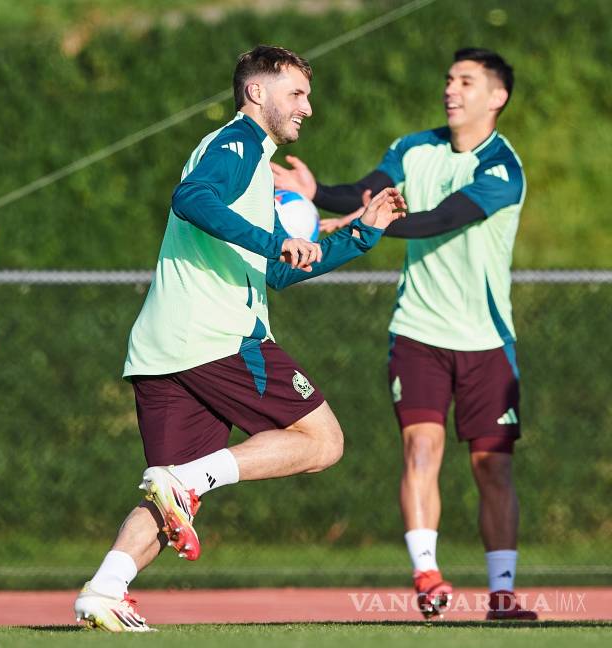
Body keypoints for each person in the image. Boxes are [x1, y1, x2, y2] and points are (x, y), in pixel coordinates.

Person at [72, 45, 407, 632]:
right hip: (218, 336)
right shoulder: (238, 145)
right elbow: (191, 199)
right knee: (324, 442)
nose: (307, 107)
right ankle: (188, 480)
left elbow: (279, 268)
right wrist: (272, 238)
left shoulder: (253, 163)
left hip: (162, 349)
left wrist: (360, 234)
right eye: (297, 93)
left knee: (168, 500)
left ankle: (104, 589)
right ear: (257, 93)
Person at [271, 47, 535, 621]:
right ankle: (428, 577)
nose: (451, 89)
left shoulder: (500, 169)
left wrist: (366, 225)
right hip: (417, 331)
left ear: (497, 97)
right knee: (421, 448)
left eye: (466, 81)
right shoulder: (416, 147)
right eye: (448, 78)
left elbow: (440, 220)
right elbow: (366, 191)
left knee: (493, 468)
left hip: (487, 340)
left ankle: (504, 593)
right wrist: (318, 195)